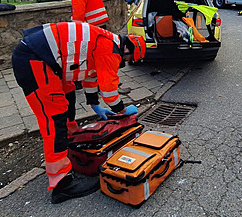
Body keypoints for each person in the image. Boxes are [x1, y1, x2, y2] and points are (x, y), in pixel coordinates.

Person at [11, 22, 146, 204]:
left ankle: (71, 148)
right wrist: (121, 110)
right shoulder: (110, 49)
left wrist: (94, 104)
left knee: (68, 96)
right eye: (129, 59)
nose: (126, 63)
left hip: (45, 59)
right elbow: (109, 90)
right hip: (35, 59)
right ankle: (61, 183)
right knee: (55, 118)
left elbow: (90, 76)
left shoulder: (106, 42)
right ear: (127, 49)